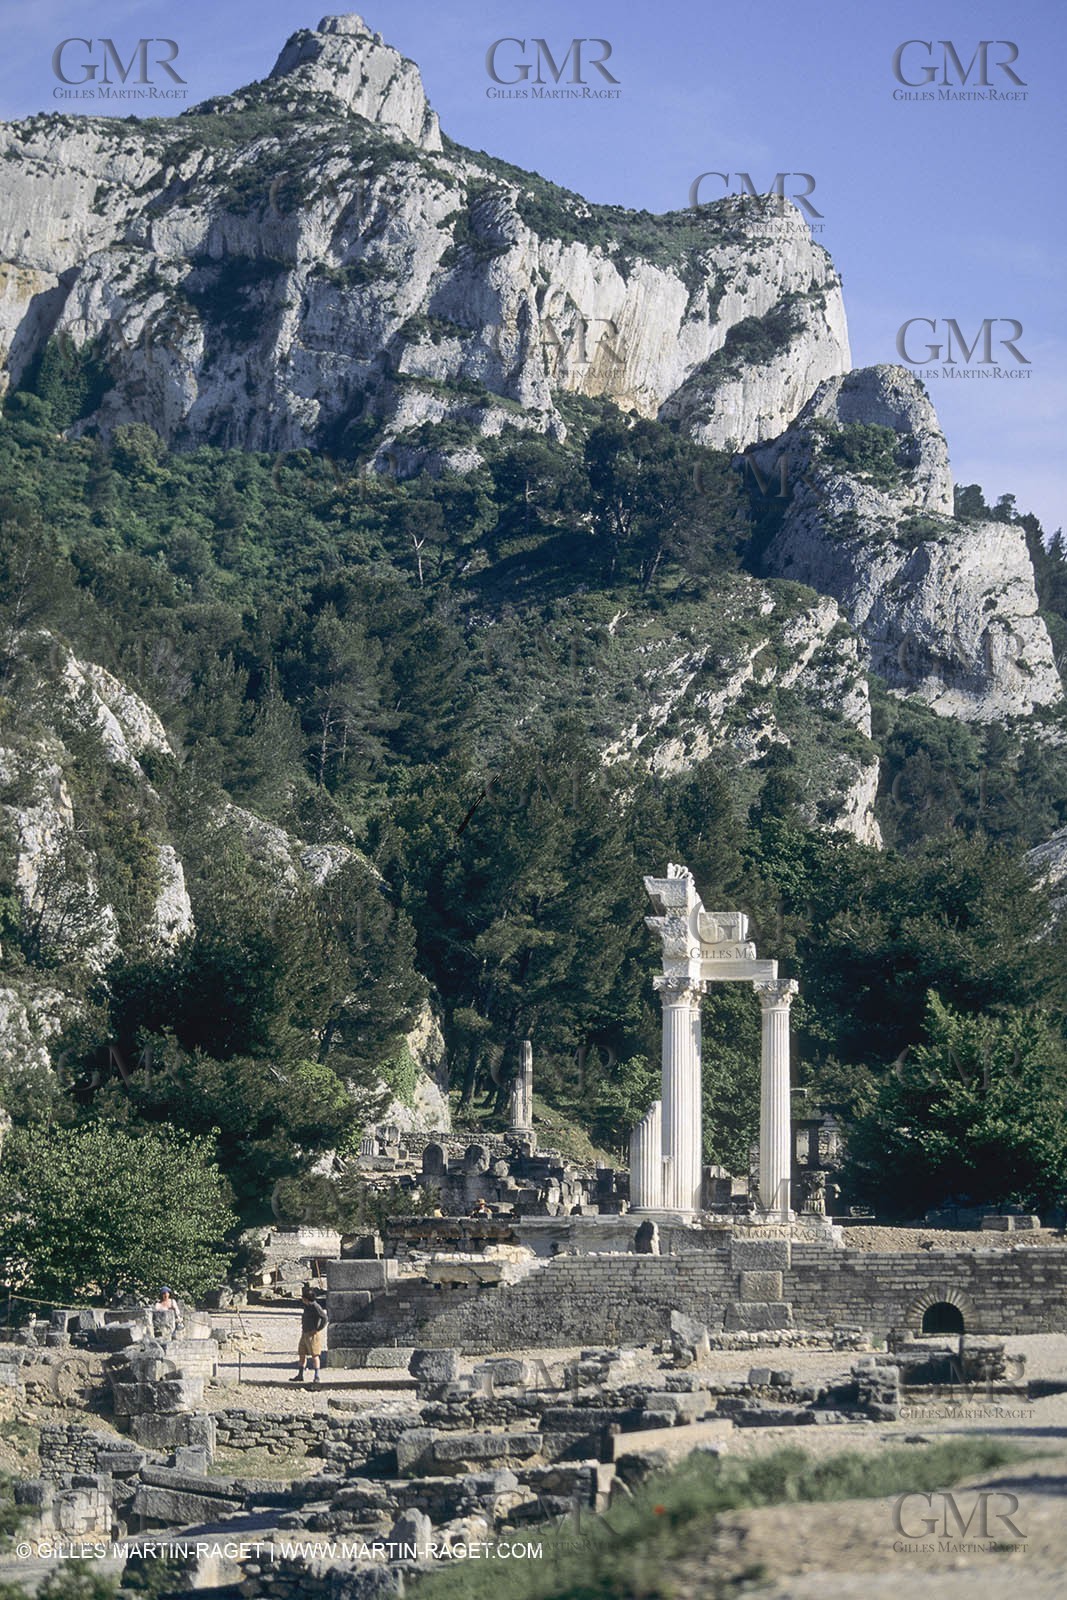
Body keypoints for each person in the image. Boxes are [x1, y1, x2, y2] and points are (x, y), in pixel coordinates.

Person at [292, 1282, 328, 1384]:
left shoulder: (315, 1306)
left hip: (312, 1334)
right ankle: (300, 1375)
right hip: (304, 1333)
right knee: (301, 1354)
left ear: (307, 1298)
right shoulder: (307, 1306)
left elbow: (325, 1318)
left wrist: (318, 1328)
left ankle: (317, 1376)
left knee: (314, 1355)